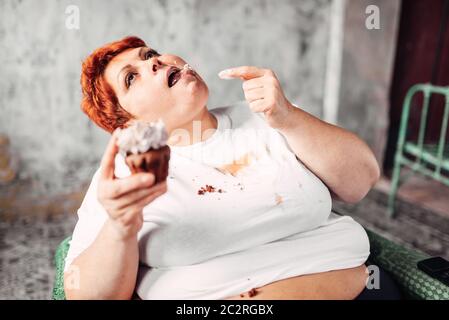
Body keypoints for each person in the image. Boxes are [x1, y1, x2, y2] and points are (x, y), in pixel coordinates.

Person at [64, 36, 382, 300]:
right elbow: (86, 295)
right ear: (127, 122)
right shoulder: (125, 176)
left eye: (150, 54)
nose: (153, 62)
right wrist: (120, 226)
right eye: (131, 78)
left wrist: (289, 117)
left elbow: (361, 181)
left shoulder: (271, 116)